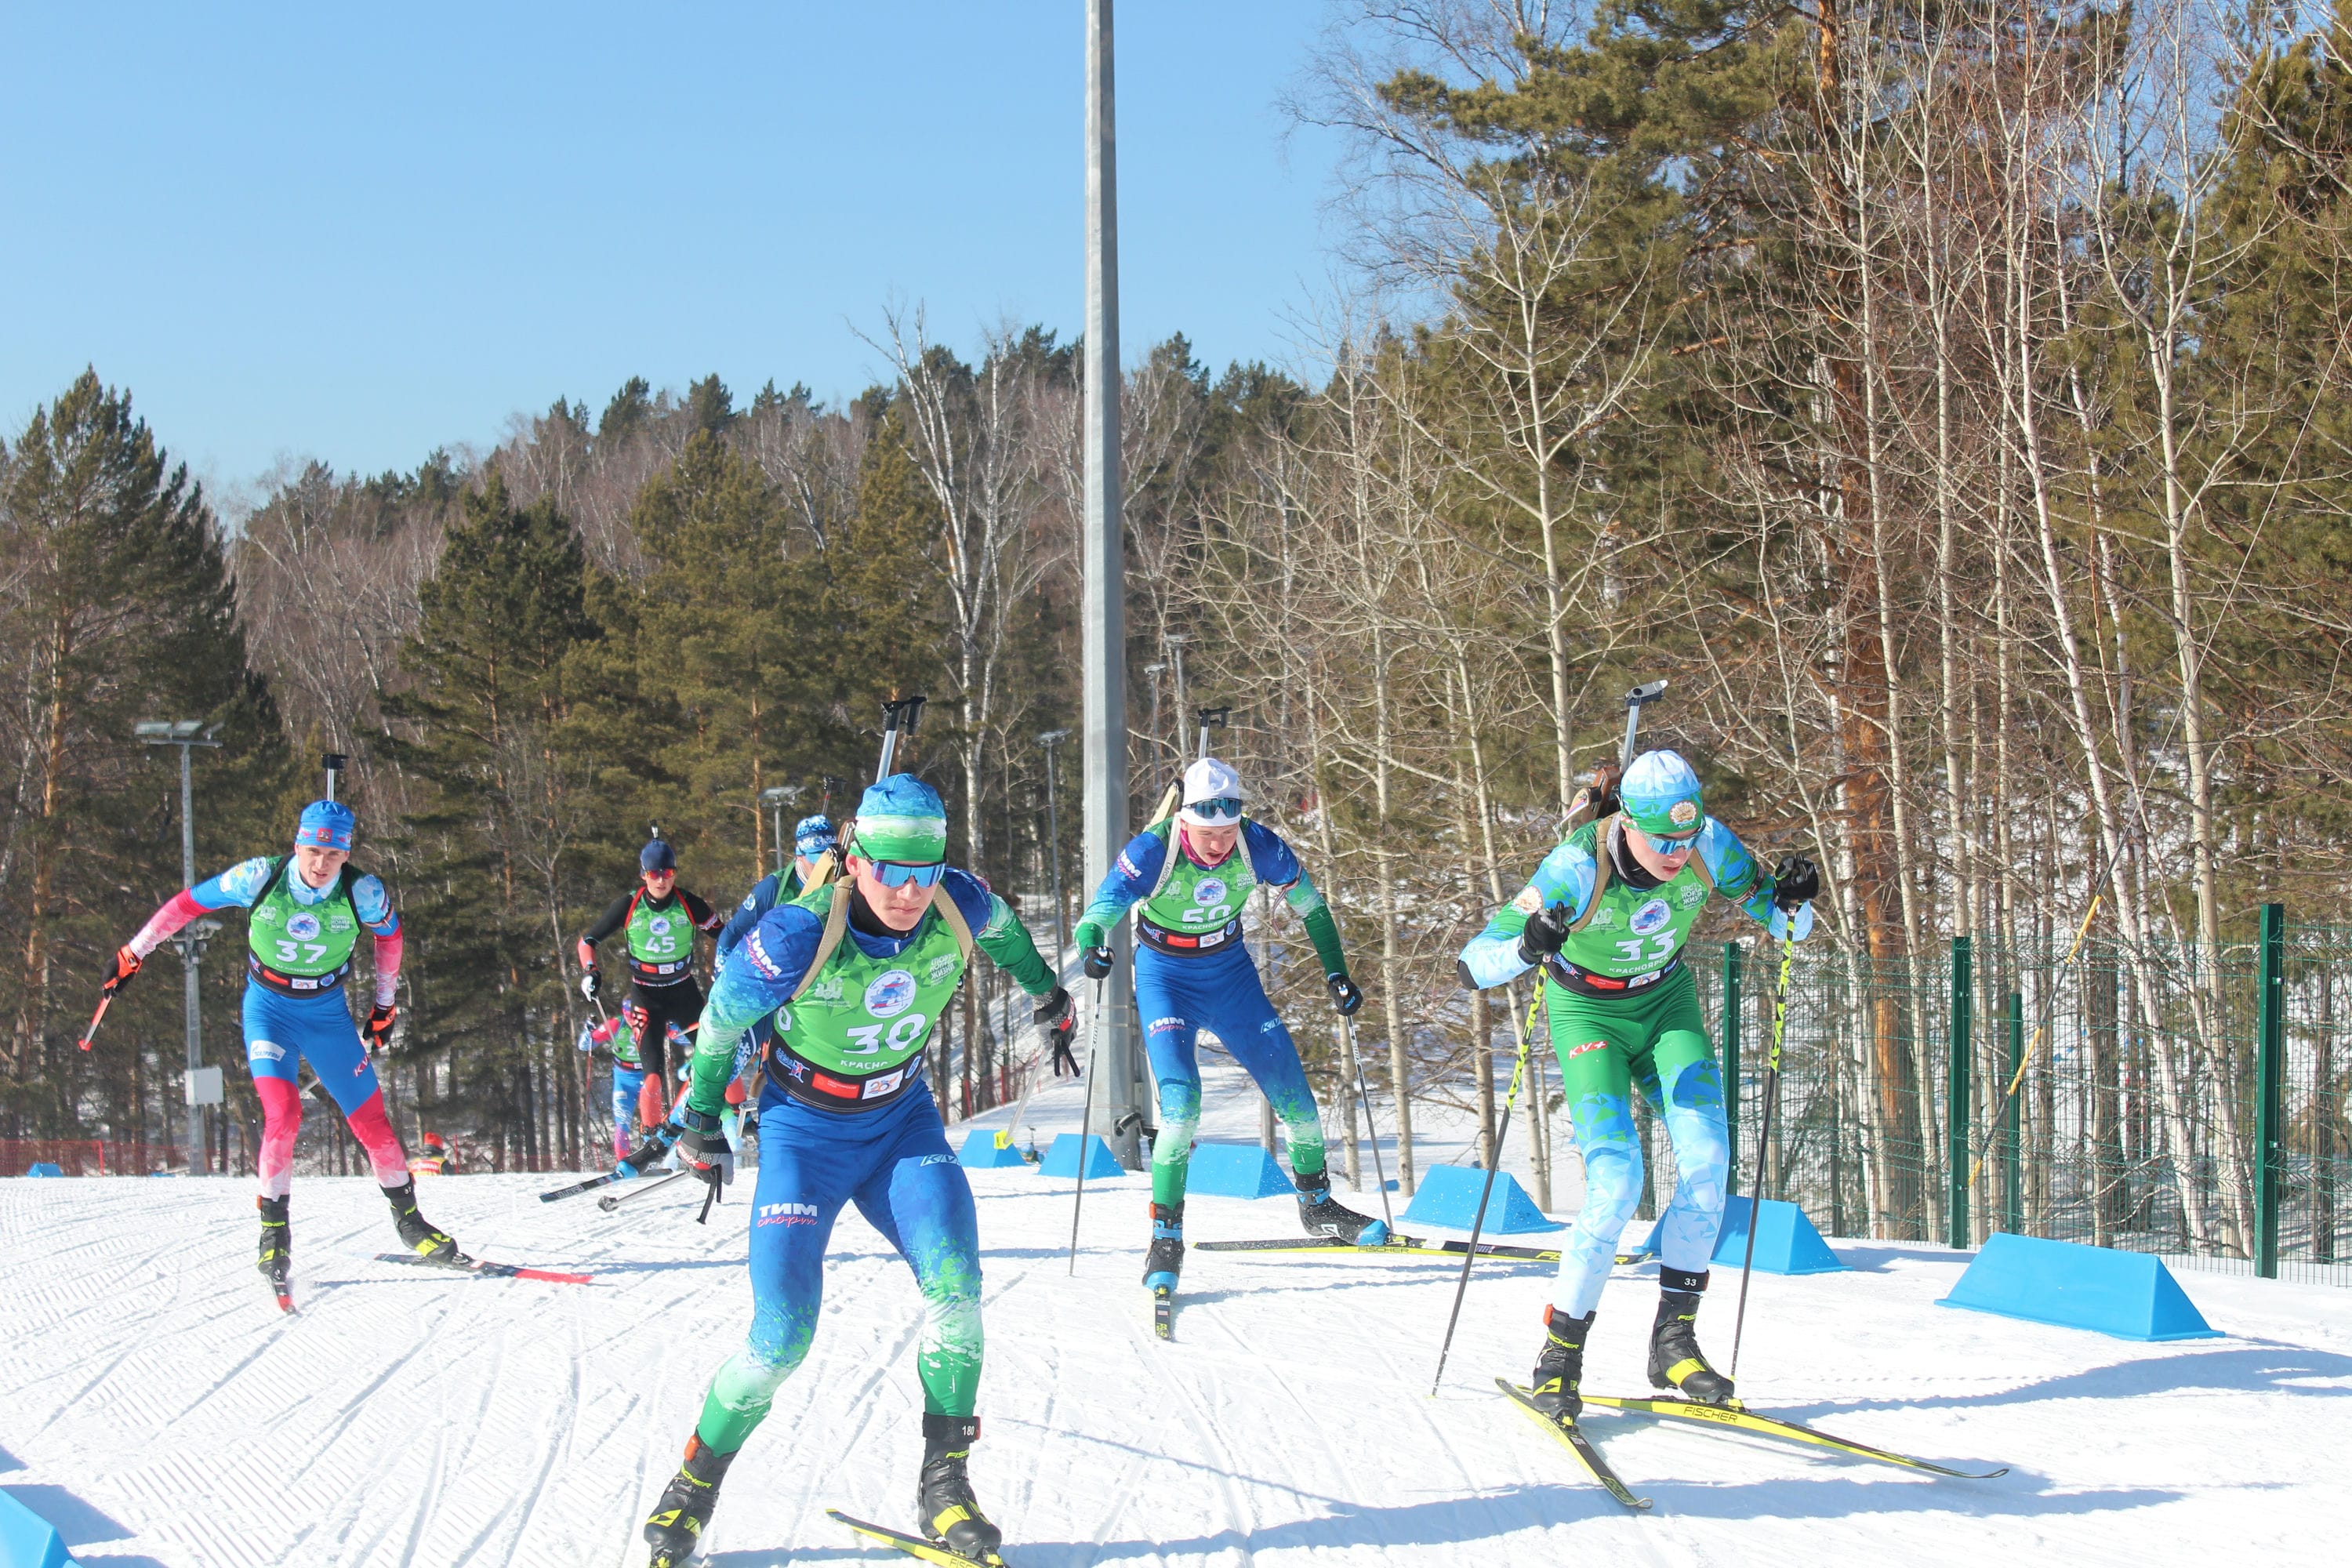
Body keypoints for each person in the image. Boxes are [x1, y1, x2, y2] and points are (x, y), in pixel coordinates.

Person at [641, 776, 1073, 1568]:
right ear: (854, 857)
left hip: (900, 1125)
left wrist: (1050, 995)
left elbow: (1010, 937)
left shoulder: (960, 901)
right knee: (780, 1340)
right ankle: (694, 1482)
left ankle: (946, 1482)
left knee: (958, 1291)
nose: (910, 891)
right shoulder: (796, 935)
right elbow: (718, 1025)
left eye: (926, 870)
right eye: (891, 871)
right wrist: (701, 1114)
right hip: (804, 1135)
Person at [1454, 749, 1817, 1425]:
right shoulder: (1575, 866)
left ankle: (1673, 1343)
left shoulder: (1708, 844)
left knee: (1710, 1166)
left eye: (1687, 836)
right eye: (1663, 840)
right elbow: (1473, 965)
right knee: (1618, 1182)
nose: (1679, 853)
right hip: (1587, 1011)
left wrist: (1793, 899)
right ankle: (1559, 1355)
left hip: (1666, 1004)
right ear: (1628, 823)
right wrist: (1530, 945)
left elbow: (1789, 925)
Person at [97, 799, 461, 1303]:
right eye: (312, 851)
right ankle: (274, 1238)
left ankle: (411, 1224)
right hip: (268, 1011)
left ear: (346, 854)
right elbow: (185, 906)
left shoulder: (363, 891)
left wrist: (384, 1006)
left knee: (372, 1123)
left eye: (332, 856)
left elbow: (390, 941)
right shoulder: (258, 877)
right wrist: (135, 952)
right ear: (297, 845)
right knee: (284, 1115)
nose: (320, 864)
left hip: (328, 1017)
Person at [1071, 757, 1382, 1301]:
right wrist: (1093, 945)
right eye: (1207, 834)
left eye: (1226, 832)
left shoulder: (1259, 844)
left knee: (1298, 1100)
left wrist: (1336, 971)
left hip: (1231, 975)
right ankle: (1166, 1235)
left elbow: (1312, 907)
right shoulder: (1152, 850)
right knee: (1182, 1108)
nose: (1218, 846)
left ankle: (1317, 1206)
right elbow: (1096, 913)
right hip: (1166, 977)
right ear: (1185, 820)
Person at [577, 837, 723, 1122]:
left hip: (684, 993)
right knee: (653, 1078)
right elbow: (588, 941)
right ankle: (651, 1137)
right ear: (644, 875)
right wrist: (591, 971)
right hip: (646, 998)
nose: (661, 880)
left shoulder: (688, 902)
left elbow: (724, 934)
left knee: (716, 1058)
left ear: (674, 873)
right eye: (654, 874)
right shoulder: (629, 905)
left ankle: (729, 1124)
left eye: (667, 873)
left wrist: (730, 961)